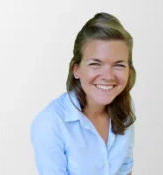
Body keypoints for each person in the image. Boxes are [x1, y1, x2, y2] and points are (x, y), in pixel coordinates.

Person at [30, 12, 137, 175]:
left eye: (119, 65)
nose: (108, 76)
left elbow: (125, 169)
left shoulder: (125, 106)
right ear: (76, 69)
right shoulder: (50, 124)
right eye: (95, 64)